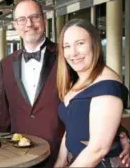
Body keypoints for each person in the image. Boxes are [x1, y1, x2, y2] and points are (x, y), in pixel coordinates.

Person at [0, 0, 130, 167]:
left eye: (34, 17)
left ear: (44, 19)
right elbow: (5, 112)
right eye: (22, 19)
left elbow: (99, 95)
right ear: (15, 25)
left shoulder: (68, 56)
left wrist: (119, 134)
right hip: (19, 153)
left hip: (61, 152)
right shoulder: (6, 64)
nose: (29, 24)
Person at [54, 19, 129, 167]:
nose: (73, 52)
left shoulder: (107, 85)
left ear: (94, 44)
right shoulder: (77, 80)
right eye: (67, 46)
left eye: (80, 43)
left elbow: (98, 150)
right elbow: (70, 128)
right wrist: (59, 162)